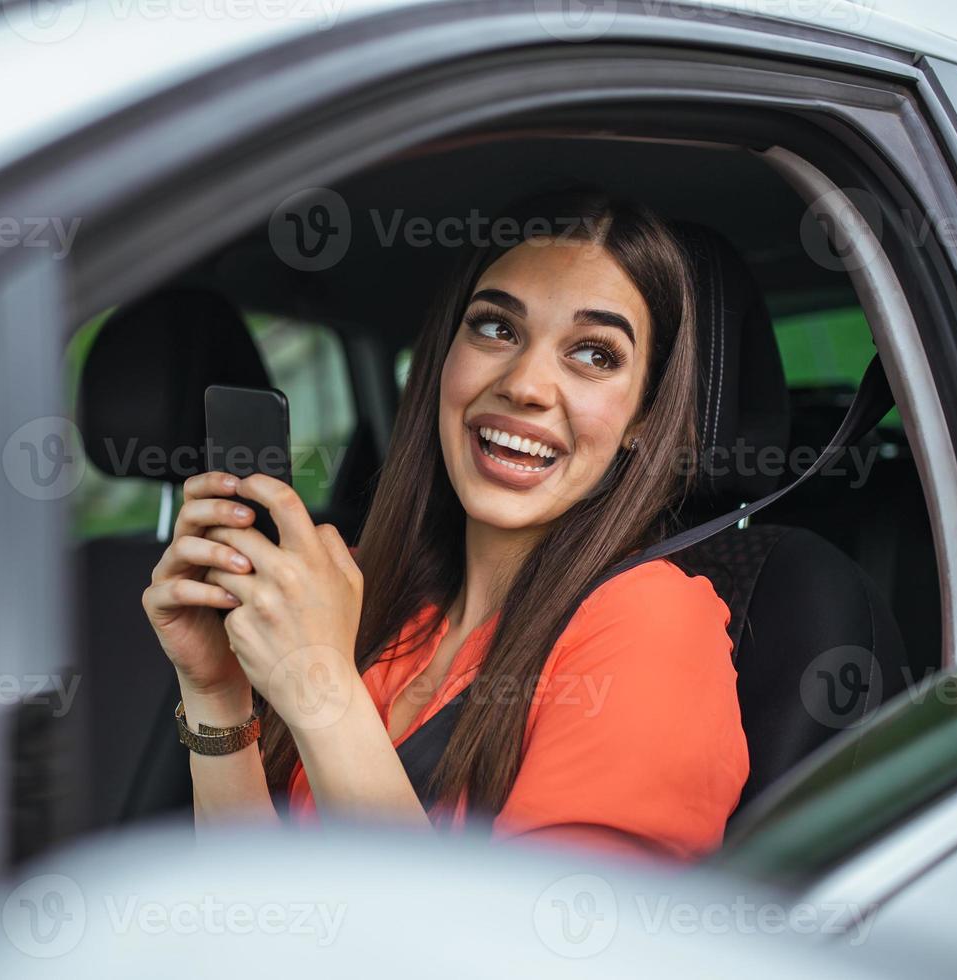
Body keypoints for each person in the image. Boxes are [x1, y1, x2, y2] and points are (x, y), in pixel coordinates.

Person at [141, 188, 748, 860]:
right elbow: (251, 926)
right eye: (496, 329)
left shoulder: (651, 622)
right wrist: (218, 692)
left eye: (595, 354)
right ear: (441, 362)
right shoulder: (373, 604)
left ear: (642, 419)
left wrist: (320, 689)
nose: (526, 384)